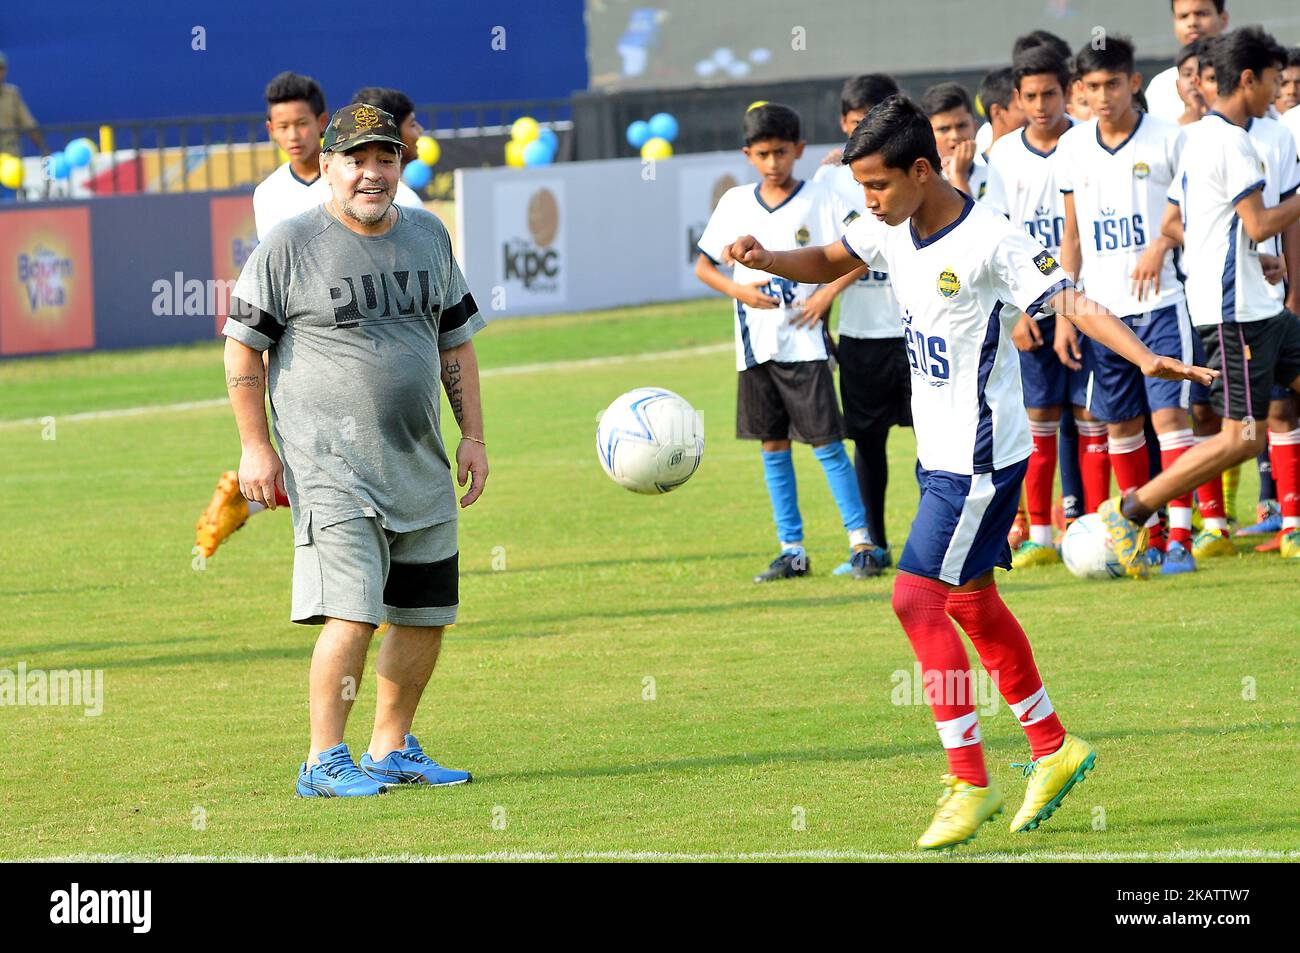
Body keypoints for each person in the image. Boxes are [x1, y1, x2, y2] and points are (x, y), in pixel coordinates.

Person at [721, 95, 1211, 849]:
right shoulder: (889, 226)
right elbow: (830, 257)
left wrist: (1146, 358)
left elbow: (1068, 299)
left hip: (978, 461)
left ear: (921, 170)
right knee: (972, 603)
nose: (867, 202)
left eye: (877, 186)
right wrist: (768, 259)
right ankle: (1052, 745)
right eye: (861, 190)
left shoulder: (988, 238)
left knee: (916, 601)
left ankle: (969, 777)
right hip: (943, 457)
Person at [223, 102, 486, 797]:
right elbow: (242, 348)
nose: (372, 173)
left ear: (400, 165)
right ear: (331, 168)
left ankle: (391, 746)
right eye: (357, 160)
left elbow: (456, 342)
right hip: (331, 467)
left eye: (385, 158)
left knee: (426, 611)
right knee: (354, 611)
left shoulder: (429, 235)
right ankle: (322, 758)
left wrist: (475, 437)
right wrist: (256, 447)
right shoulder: (289, 244)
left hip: (420, 461)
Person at [196, 73, 425, 559]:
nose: (419, 133)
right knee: (343, 465)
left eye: (303, 122)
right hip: (316, 350)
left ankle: (252, 501)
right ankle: (366, 588)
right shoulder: (272, 195)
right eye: (411, 125)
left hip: (385, 346)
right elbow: (271, 284)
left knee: (352, 465)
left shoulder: (401, 202)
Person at [1105, 26, 1300, 570]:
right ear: (1249, 79)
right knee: (1241, 438)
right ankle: (1132, 509)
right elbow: (1259, 222)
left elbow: (1190, 221)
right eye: (1274, 82)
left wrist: (1242, 255)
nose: (1278, 93)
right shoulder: (1230, 140)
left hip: (1259, 306)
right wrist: (1250, 248)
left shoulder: (1205, 138)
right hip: (1235, 315)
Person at [695, 103, 877, 582]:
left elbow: (865, 253)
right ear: (748, 155)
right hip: (756, 346)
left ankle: (862, 543)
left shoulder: (820, 198)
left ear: (798, 149)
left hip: (806, 345)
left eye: (781, 151)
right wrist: (740, 291)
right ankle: (791, 549)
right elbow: (703, 266)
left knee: (827, 445)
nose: (773, 162)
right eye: (762, 153)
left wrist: (826, 294)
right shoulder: (735, 202)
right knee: (772, 447)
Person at [1055, 35, 1203, 573]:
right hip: (1101, 313)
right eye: (1092, 86)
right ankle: (1138, 536)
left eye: (1112, 84)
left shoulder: (1170, 140)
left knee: (1170, 419)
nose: (1103, 96)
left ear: (1133, 83)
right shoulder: (1072, 148)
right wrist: (1067, 311)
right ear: (1081, 90)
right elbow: (1070, 236)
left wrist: (1161, 244)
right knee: (1120, 426)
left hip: (1163, 303)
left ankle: (1182, 539)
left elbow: (1197, 218)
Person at [985, 44, 1109, 568]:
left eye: (1051, 94)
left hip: (1087, 303)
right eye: (1030, 96)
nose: (1041, 105)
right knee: (1038, 419)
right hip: (1029, 313)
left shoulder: (1087, 145)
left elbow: (1085, 232)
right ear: (1017, 97)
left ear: (1069, 93)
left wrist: (1071, 312)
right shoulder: (1003, 155)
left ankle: (1101, 526)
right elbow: (992, 240)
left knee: (1090, 416)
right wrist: (1012, 318)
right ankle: (1039, 531)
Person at [812, 74, 907, 571]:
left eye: (868, 124)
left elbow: (877, 247)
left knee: (936, 442)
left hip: (915, 327)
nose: (860, 134)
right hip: (862, 335)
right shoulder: (828, 180)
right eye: (852, 125)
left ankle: (940, 542)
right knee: (868, 444)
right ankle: (874, 546)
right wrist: (823, 316)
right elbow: (828, 254)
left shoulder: (914, 174)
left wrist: (828, 290)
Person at [1146, 1, 1230, 124]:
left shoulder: (1242, 74)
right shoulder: (1160, 86)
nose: (1192, 23)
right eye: (1183, 16)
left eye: (1202, 14)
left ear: (1223, 19)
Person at [920, 82, 986, 200]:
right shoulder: (921, 180)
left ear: (975, 127)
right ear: (928, 135)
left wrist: (958, 176)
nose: (955, 136)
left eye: (961, 126)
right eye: (944, 129)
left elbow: (978, 219)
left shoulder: (994, 172)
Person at [0, 51, 45, 157]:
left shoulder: (12, 94)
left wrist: (43, 148)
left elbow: (28, 123)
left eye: (1, 68)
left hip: (11, 155)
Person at [1175, 40, 1210, 125]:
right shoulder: (1167, 132)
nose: (1194, 80)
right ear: (1177, 85)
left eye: (1200, 73)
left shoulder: (1234, 130)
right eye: (1187, 74)